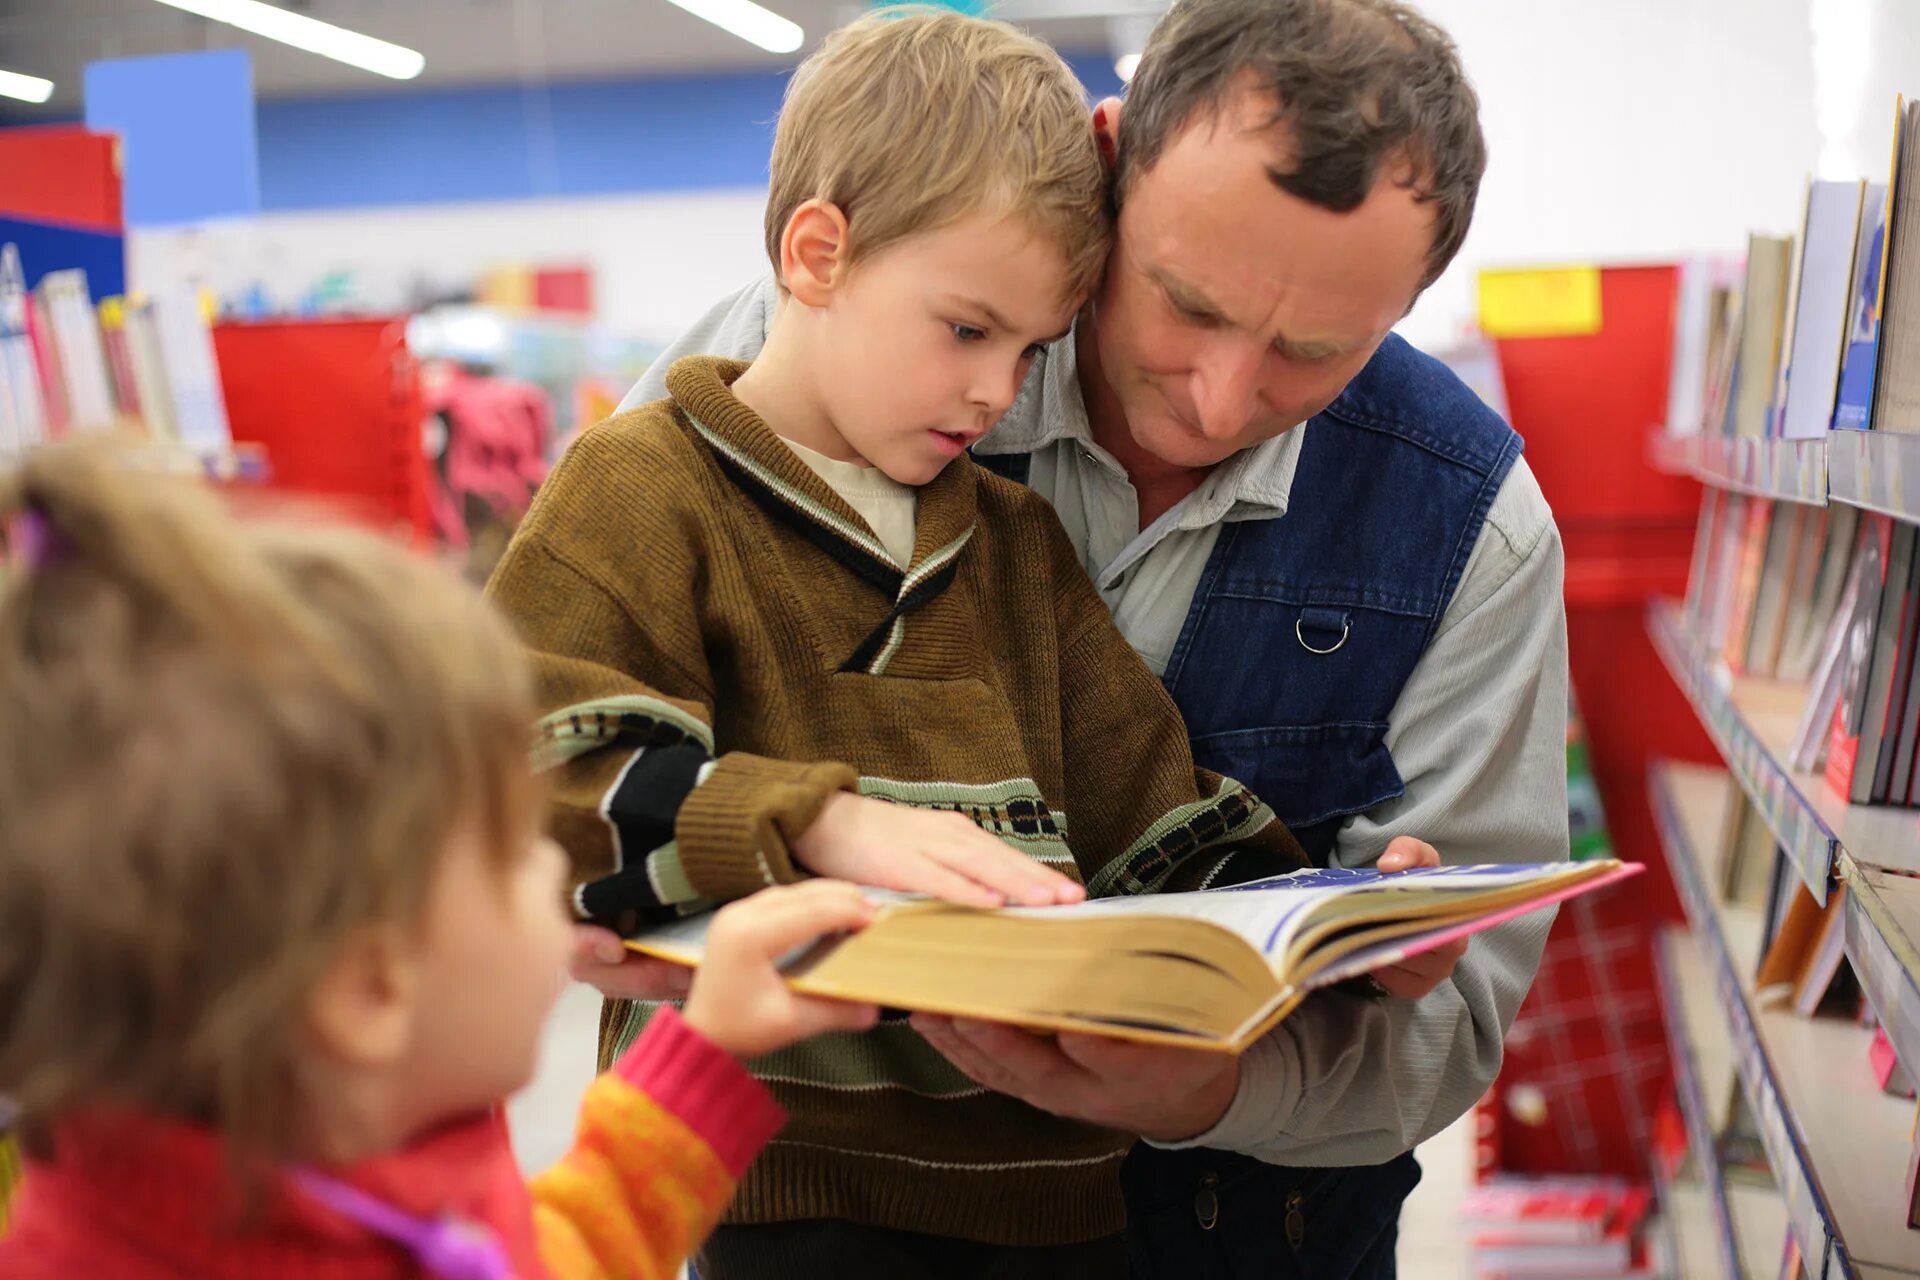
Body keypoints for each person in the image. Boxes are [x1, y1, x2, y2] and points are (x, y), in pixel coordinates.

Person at [485, 11, 1459, 1278]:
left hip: (1051, 1196)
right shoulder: (644, 490)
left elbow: (1150, 811)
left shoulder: (1008, 541)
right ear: (819, 254)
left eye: (1033, 348)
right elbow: (529, 763)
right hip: (782, 1183)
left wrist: (1338, 931)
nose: (1000, 393)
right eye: (966, 330)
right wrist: (817, 825)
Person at [0, 440, 887, 1279]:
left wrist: (705, 1055)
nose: (551, 869)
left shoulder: (336, 1141)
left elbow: (541, 1254)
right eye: (510, 849)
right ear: (371, 990)